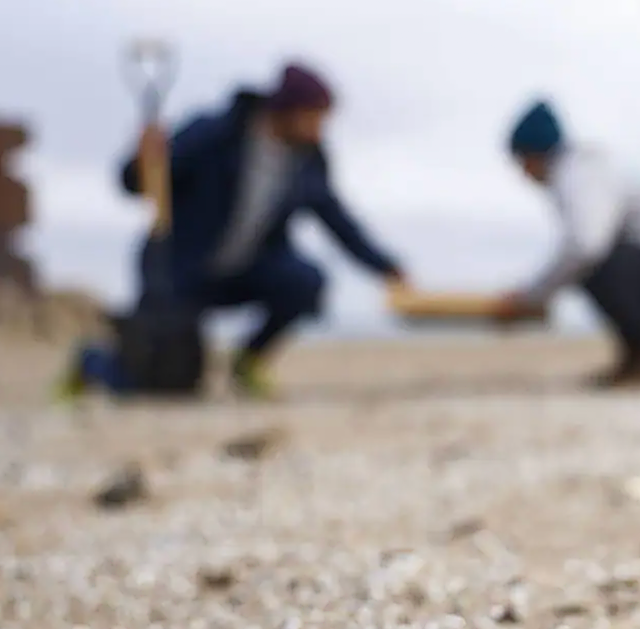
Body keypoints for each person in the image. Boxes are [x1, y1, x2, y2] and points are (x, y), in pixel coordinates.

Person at [59, 62, 409, 400]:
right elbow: (136, 184)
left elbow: (337, 220)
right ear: (288, 110)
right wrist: (143, 158)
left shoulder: (308, 160)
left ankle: (249, 360)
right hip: (176, 269)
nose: (320, 129)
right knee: (163, 384)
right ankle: (92, 363)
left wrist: (384, 267)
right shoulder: (214, 133)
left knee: (306, 281)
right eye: (314, 117)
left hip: (247, 271)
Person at [494, 99, 640, 388]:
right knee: (592, 263)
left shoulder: (578, 173)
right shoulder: (584, 170)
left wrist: (531, 296)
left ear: (534, 153)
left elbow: (584, 245)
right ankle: (638, 354)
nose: (522, 173)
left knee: (592, 264)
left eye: (521, 161)